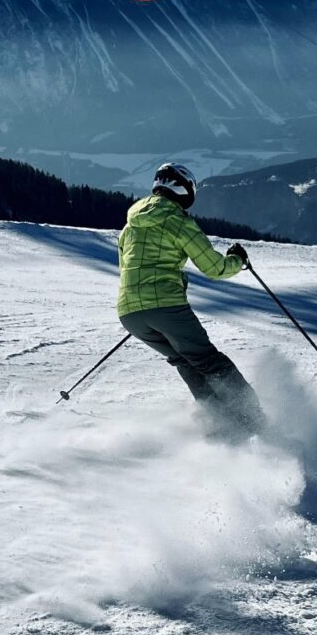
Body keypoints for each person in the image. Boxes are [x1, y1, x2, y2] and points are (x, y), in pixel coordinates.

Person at [117, 162, 266, 438]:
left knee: (185, 360)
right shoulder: (179, 222)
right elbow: (214, 268)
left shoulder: (130, 225)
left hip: (129, 313)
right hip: (165, 308)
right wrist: (237, 259)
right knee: (209, 361)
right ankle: (257, 423)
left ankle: (219, 425)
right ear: (185, 190)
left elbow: (127, 268)